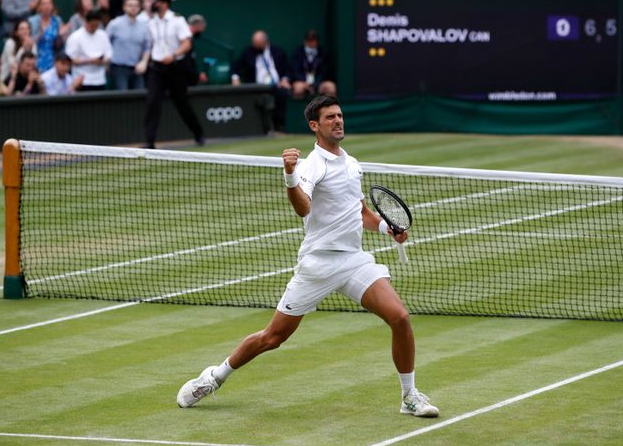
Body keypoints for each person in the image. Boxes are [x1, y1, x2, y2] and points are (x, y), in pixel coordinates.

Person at [176, 95, 441, 419]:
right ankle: (214, 377)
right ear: (315, 125)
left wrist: (387, 229)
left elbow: (360, 213)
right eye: (330, 117)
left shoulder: (351, 163)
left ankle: (409, 396)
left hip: (353, 261)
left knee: (399, 317)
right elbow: (303, 206)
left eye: (340, 115)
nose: (338, 121)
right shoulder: (310, 166)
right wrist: (289, 175)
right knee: (272, 337)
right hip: (317, 265)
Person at [143, 0, 204, 148]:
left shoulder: (178, 20)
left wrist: (173, 55)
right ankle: (150, 142)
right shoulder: (151, 22)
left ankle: (198, 133)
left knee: (182, 103)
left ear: (163, 3)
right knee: (152, 102)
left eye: (155, 1)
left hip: (175, 67)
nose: (152, 4)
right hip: (157, 68)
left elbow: (186, 43)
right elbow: (152, 45)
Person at [231, 30, 291, 131]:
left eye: (258, 44)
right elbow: (235, 67)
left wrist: (284, 80)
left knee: (283, 93)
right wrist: (235, 78)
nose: (256, 47)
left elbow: (286, 69)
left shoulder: (277, 51)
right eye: (255, 44)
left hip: (276, 85)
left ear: (265, 42)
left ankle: (280, 127)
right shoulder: (248, 52)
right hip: (257, 87)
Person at [106, 0, 148, 90]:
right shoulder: (114, 24)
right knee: (122, 99)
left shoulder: (144, 26)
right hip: (118, 68)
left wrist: (144, 62)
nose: (133, 8)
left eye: (136, 5)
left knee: (139, 98)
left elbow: (147, 47)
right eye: (130, 5)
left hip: (137, 68)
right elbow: (105, 44)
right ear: (124, 7)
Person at [65, 9, 110, 91]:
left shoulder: (103, 35)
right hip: (82, 81)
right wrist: (90, 60)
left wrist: (102, 60)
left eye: (96, 25)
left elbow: (109, 54)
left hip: (100, 80)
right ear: (86, 22)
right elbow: (70, 59)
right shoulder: (75, 37)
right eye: (92, 25)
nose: (94, 28)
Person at [28, 0, 67, 73]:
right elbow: (28, 42)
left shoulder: (57, 20)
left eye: (49, 3)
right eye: (44, 4)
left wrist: (62, 35)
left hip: (54, 61)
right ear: (39, 7)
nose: (47, 6)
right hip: (37, 60)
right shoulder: (32, 21)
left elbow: (62, 42)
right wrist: (39, 35)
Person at [291, 29, 336, 99]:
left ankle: (328, 109)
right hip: (302, 82)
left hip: (319, 82)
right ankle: (301, 109)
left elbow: (324, 72)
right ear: (305, 41)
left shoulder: (323, 53)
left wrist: (315, 84)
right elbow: (296, 71)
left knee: (330, 87)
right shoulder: (297, 53)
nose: (311, 43)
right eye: (309, 40)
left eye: (313, 40)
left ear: (317, 41)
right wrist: (305, 83)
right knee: (298, 88)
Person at [186, 13, 207, 84]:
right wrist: (197, 75)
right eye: (202, 27)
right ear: (197, 25)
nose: (202, 31)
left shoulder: (190, 39)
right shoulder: (185, 39)